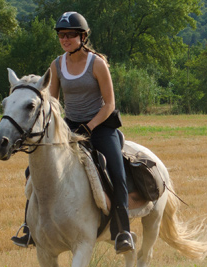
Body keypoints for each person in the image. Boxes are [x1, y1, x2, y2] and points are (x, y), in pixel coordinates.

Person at [12, 11, 143, 254]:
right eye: (62, 35)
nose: (65, 38)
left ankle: (122, 231)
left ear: (83, 36)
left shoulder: (97, 63)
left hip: (101, 127)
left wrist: (90, 126)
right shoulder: (57, 65)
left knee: (116, 171)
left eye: (71, 34)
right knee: (33, 169)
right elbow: (51, 102)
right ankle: (29, 228)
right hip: (70, 126)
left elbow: (110, 104)